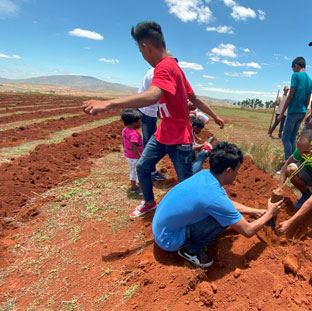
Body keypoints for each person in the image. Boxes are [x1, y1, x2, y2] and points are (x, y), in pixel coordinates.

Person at [81, 21, 225, 218]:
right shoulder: (174, 67)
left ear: (144, 47)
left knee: (186, 181)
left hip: (179, 136)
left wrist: (109, 104)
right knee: (142, 166)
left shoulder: (164, 67)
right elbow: (194, 98)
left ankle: (202, 159)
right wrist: (215, 116)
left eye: (140, 52)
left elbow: (152, 95)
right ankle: (149, 202)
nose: (142, 56)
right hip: (162, 133)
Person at [152, 142, 284, 267]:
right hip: (168, 239)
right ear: (228, 171)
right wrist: (270, 214)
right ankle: (191, 251)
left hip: (162, 228)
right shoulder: (213, 196)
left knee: (222, 213)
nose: (237, 174)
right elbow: (248, 231)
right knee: (222, 221)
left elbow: (226, 204)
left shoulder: (206, 175)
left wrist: (255, 212)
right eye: (237, 170)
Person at [278, 57, 312, 161]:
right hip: (302, 111)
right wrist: (305, 109)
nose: (292, 70)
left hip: (293, 111)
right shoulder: (310, 80)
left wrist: (282, 113)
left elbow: (291, 95)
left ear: (296, 65)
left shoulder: (296, 75)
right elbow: (308, 98)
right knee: (292, 138)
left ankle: (287, 162)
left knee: (285, 138)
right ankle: (295, 161)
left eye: (292, 68)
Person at [137, 67, 166, 181]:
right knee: (151, 144)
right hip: (148, 111)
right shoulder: (157, 72)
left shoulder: (152, 71)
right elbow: (156, 94)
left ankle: (147, 170)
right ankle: (150, 171)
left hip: (145, 110)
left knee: (147, 141)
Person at [120, 109, 144, 194]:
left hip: (128, 156)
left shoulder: (125, 130)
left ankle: (133, 187)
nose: (140, 123)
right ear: (134, 123)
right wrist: (139, 157)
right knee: (140, 172)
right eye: (139, 121)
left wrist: (126, 150)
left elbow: (123, 142)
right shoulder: (134, 133)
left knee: (132, 170)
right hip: (135, 157)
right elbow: (134, 145)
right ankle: (141, 190)